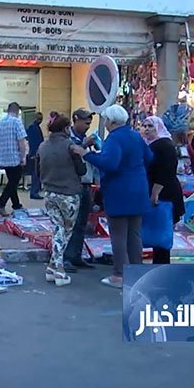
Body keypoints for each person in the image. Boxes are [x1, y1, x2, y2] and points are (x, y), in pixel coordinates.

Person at [71, 105, 152, 289]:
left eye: (106, 120)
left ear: (112, 121)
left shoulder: (114, 139)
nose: (105, 124)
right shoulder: (135, 136)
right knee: (135, 235)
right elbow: (149, 159)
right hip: (139, 189)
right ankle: (136, 273)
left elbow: (110, 164)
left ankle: (119, 275)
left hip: (119, 191)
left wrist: (87, 154)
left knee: (118, 235)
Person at [37, 114, 87, 286]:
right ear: (66, 128)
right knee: (65, 232)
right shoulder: (70, 146)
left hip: (49, 193)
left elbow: (38, 170)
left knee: (57, 229)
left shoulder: (42, 146)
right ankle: (59, 270)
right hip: (69, 195)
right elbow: (81, 170)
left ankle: (52, 267)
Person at [140, 116, 185, 265]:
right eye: (144, 126)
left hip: (164, 193)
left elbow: (166, 171)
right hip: (157, 191)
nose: (146, 129)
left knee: (162, 231)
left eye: (150, 126)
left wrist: (155, 192)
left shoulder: (165, 145)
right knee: (157, 230)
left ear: (158, 128)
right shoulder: (150, 145)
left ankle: (161, 265)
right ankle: (158, 264)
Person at [64, 108, 99, 272]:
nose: (87, 126)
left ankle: (76, 255)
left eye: (89, 123)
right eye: (85, 123)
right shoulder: (68, 139)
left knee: (82, 223)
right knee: (71, 222)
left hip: (86, 184)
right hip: (73, 185)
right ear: (75, 120)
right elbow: (69, 156)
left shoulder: (84, 138)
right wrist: (84, 145)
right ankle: (66, 258)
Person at [0, 102, 28, 217]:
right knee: (14, 182)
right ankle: (0, 204)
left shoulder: (0, 123)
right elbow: (21, 142)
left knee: (12, 182)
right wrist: (23, 157)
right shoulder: (17, 122)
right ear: (18, 111)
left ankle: (17, 205)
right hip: (14, 158)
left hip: (4, 158)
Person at [26, 112, 45, 200]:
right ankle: (34, 191)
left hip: (36, 152)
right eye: (39, 119)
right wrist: (34, 153)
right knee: (35, 174)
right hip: (35, 153)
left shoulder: (34, 127)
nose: (40, 121)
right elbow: (33, 142)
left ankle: (35, 190)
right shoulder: (33, 128)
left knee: (37, 173)